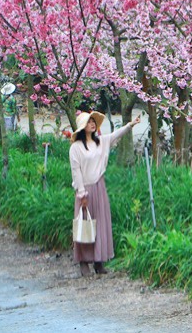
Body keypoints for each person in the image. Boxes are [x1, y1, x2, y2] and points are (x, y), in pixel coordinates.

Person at [69, 111, 142, 277]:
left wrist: (131, 125)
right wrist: (81, 193)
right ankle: (83, 261)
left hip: (99, 186)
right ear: (82, 127)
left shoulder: (101, 142)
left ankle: (99, 261)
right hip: (85, 189)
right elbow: (76, 171)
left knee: (100, 222)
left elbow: (116, 134)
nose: (92, 124)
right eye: (89, 122)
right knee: (85, 223)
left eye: (93, 122)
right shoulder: (76, 148)